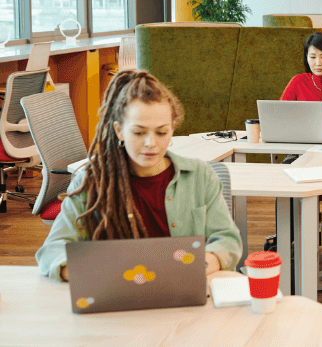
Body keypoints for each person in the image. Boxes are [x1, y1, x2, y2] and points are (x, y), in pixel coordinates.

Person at [36, 70, 243, 281]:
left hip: (184, 294)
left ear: (173, 129)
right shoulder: (92, 181)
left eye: (161, 132)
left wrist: (206, 262)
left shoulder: (201, 176)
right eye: (138, 132)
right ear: (119, 131)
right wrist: (85, 271)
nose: (150, 143)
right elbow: (53, 250)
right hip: (116, 296)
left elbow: (227, 239)